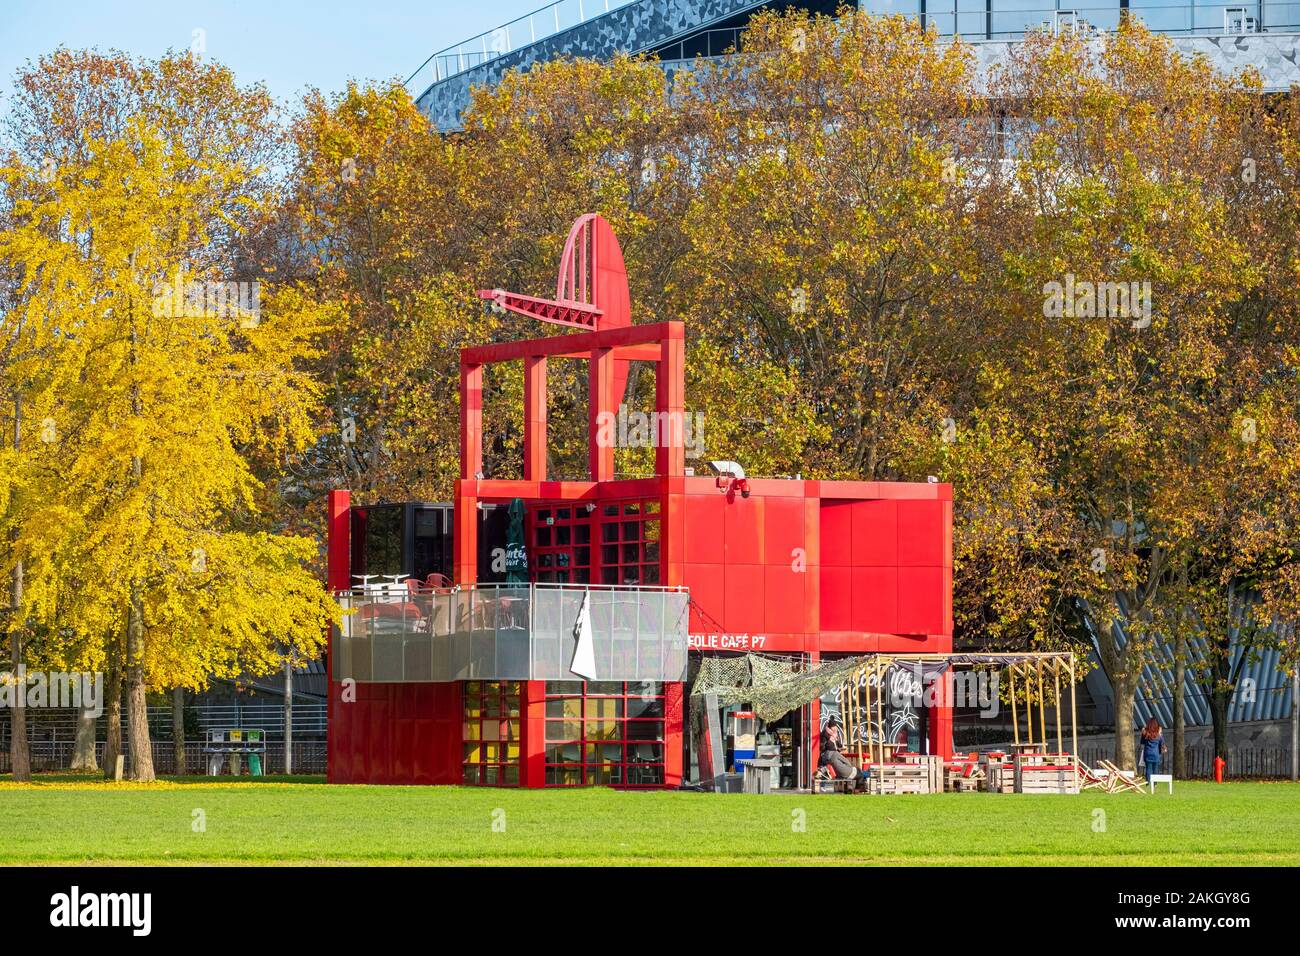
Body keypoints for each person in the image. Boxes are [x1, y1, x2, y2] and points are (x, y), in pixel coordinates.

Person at [819, 715, 869, 786]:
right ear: (830, 727)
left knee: (858, 771)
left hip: (830, 759)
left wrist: (840, 747)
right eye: (834, 727)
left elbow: (837, 745)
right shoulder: (827, 737)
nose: (835, 728)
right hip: (836, 762)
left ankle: (863, 779)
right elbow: (846, 762)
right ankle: (867, 778)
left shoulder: (834, 735)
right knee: (860, 772)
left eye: (835, 727)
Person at [1140, 718, 1166, 782]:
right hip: (1156, 753)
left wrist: (1143, 733)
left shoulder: (1145, 733)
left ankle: (1148, 782)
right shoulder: (1158, 734)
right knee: (1155, 769)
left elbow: (1142, 742)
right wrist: (1160, 733)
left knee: (1148, 769)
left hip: (1147, 753)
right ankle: (1155, 783)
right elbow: (1162, 742)